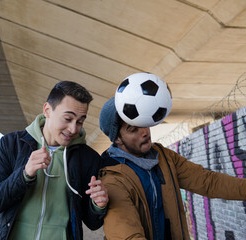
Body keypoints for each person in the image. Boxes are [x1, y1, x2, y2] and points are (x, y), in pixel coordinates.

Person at [98, 96, 246, 240]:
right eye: (133, 129)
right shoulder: (112, 179)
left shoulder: (164, 156)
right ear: (117, 138)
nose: (144, 132)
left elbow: (208, 182)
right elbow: (127, 235)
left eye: (143, 122)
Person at [0, 81, 109, 240]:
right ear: (47, 110)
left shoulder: (88, 158)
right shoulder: (11, 144)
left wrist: (98, 205)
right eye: (68, 118)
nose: (74, 129)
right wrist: (24, 175)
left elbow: (92, 223)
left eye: (80, 121)